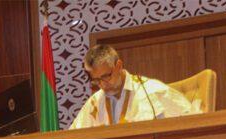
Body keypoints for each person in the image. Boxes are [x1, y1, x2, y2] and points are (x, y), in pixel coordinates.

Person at [70, 44, 201, 129]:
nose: (103, 85)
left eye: (106, 76)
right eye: (96, 80)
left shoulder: (152, 92)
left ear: (119, 66)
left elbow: (194, 120)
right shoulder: (94, 103)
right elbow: (73, 137)